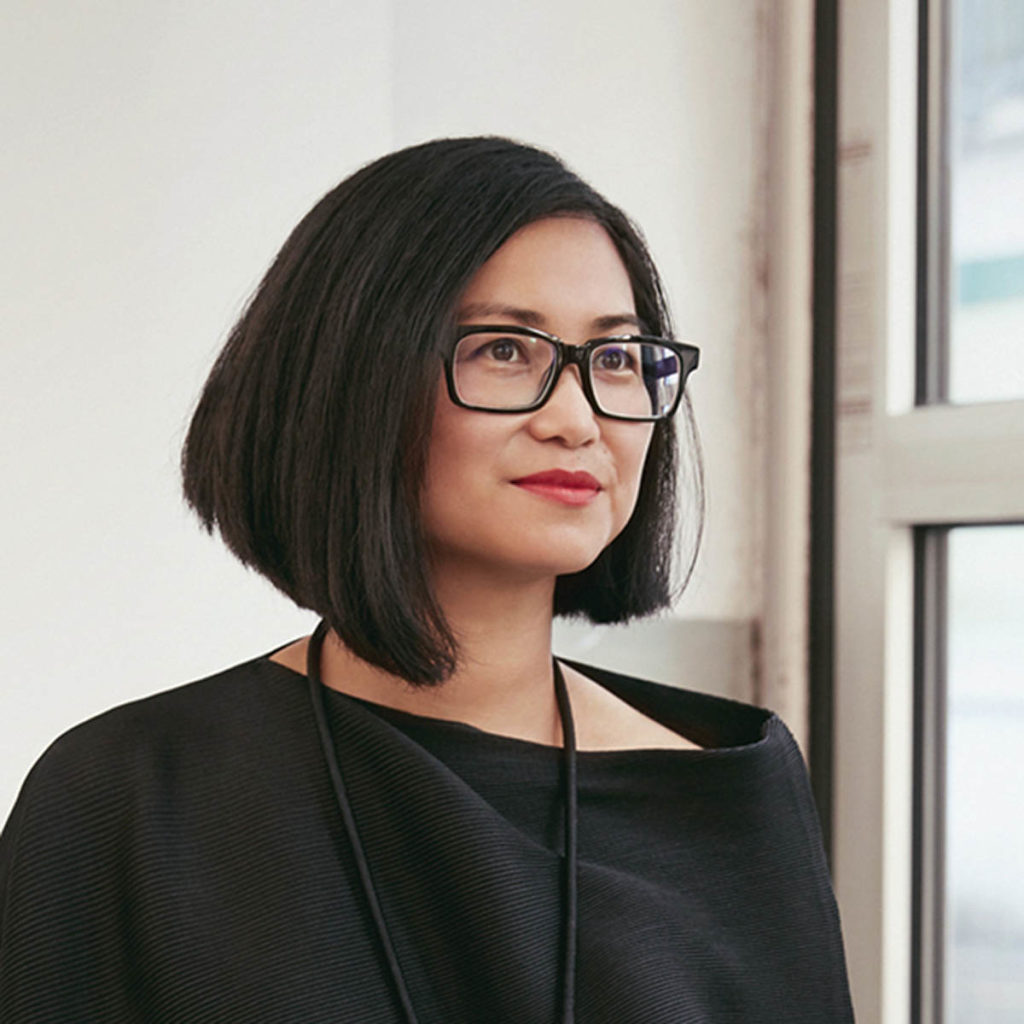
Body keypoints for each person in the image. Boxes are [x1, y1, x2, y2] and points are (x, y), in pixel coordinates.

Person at [0, 137, 854, 1023]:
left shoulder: (719, 795)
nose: (576, 419)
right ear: (352, 379)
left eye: (616, 359)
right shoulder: (128, 801)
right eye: (503, 351)